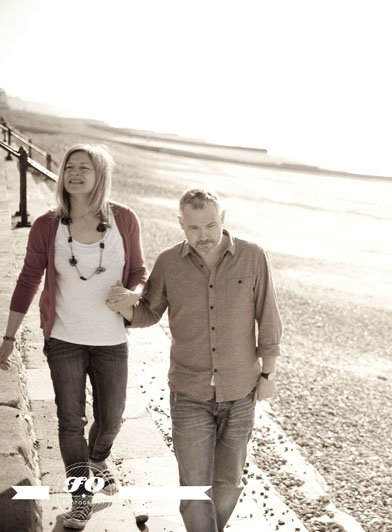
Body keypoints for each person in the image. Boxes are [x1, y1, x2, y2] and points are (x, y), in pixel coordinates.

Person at [106, 187, 282, 532]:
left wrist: (268, 375)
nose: (204, 236)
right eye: (194, 228)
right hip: (189, 393)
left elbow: (269, 317)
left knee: (229, 486)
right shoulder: (170, 263)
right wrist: (125, 302)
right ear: (181, 224)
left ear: (223, 219)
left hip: (242, 390)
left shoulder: (253, 256)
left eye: (211, 226)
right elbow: (148, 312)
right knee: (195, 488)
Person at [0, 144, 146, 529]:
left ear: (101, 176)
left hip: (112, 340)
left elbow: (140, 273)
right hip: (63, 339)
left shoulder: (124, 220)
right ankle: (81, 498)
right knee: (70, 421)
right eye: (70, 167)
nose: (75, 173)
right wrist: (10, 337)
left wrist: (134, 295)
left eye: (85, 167)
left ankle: (98, 459)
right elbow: (29, 279)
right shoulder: (48, 225)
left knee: (111, 419)